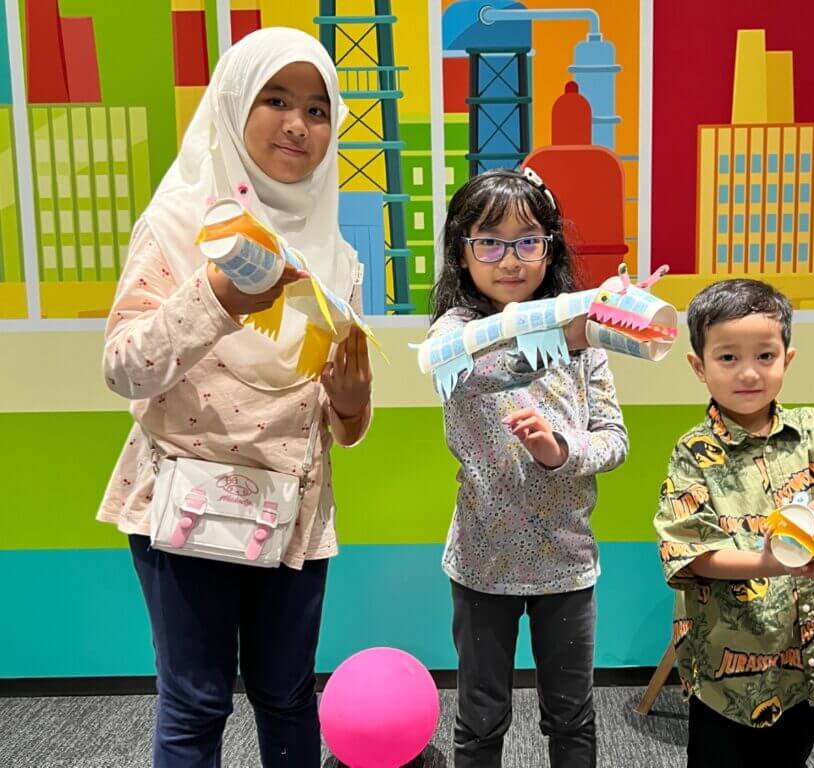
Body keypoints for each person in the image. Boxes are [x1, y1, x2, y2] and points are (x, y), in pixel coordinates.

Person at [96, 28, 372, 767]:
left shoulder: (337, 256)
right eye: (275, 99)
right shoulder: (179, 227)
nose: (297, 124)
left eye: (318, 109)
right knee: (195, 701)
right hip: (185, 498)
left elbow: (337, 425)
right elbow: (125, 368)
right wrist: (218, 292)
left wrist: (350, 404)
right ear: (231, 104)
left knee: (286, 694)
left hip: (293, 512)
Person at [655, 278, 814, 767]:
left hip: (806, 660)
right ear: (699, 366)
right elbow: (688, 552)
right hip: (729, 668)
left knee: (791, 754)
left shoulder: (812, 430)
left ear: (787, 358)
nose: (749, 373)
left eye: (765, 356)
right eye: (728, 357)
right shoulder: (693, 453)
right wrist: (767, 562)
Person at [428, 168, 629, 767]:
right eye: (489, 241)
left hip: (566, 562)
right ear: (463, 254)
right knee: (481, 716)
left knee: (572, 715)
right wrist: (561, 338)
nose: (509, 259)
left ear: (550, 249)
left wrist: (561, 451)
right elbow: (471, 373)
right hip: (483, 562)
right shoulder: (455, 333)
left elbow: (614, 440)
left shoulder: (581, 339)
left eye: (528, 241)